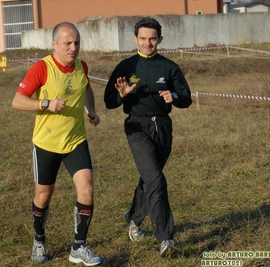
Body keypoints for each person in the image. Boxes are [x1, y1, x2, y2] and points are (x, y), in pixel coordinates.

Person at [12, 22, 102, 266]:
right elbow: (17, 101)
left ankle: (78, 247)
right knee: (43, 197)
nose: (73, 48)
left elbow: (86, 89)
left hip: (75, 141)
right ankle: (39, 240)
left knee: (87, 189)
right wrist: (45, 104)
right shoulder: (42, 68)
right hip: (46, 143)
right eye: (68, 43)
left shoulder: (82, 66)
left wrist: (91, 110)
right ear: (54, 44)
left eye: (77, 43)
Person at [104, 17, 192, 258]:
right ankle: (165, 239)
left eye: (152, 38)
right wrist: (121, 95)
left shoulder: (169, 66)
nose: (147, 43)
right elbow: (109, 101)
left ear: (160, 39)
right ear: (135, 39)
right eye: (143, 38)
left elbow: (187, 98)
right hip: (136, 127)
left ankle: (133, 218)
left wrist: (173, 96)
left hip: (163, 128)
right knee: (156, 181)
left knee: (149, 178)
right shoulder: (125, 66)